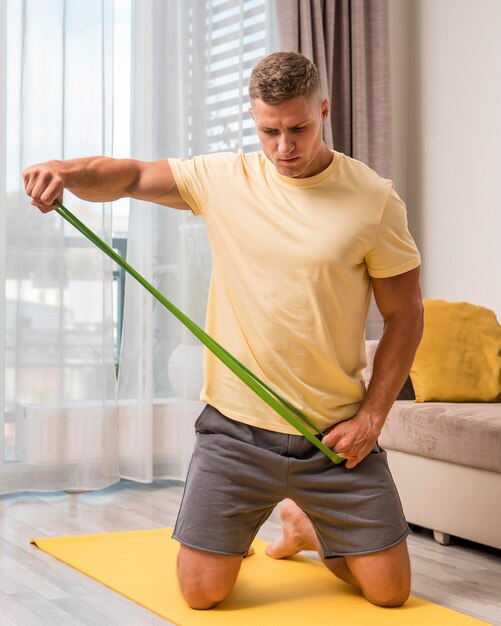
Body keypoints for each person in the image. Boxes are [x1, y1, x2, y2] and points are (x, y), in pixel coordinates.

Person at [24, 52, 423, 611]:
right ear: (254, 121)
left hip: (331, 436)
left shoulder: (373, 199)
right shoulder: (224, 179)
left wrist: (373, 417)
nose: (285, 146)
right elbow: (132, 175)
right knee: (201, 594)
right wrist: (63, 171)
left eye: (299, 129)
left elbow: (406, 314)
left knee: (390, 593)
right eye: (269, 131)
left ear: (324, 111)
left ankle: (308, 526)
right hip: (235, 433)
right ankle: (286, 522)